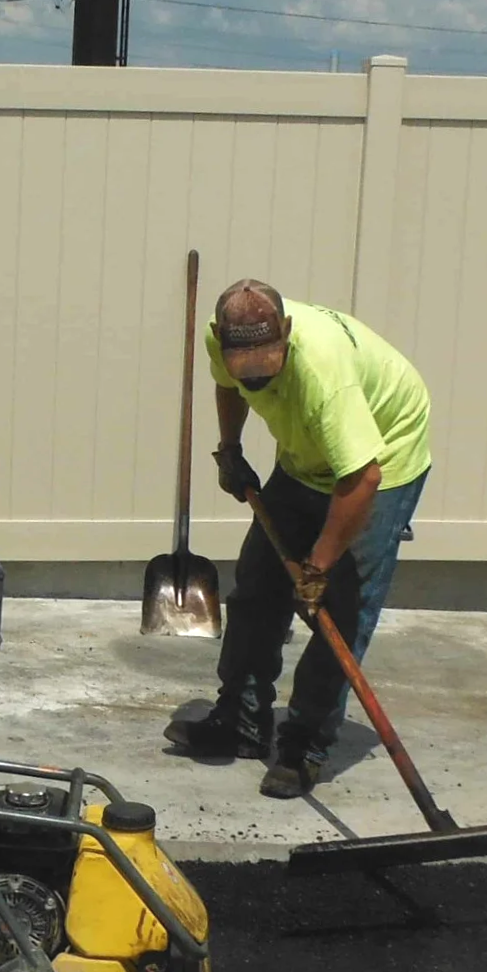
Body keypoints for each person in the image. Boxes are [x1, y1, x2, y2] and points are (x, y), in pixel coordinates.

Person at [164, 279, 431, 800]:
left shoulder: (324, 378)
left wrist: (318, 567)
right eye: (249, 369)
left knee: (341, 610)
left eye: (269, 363)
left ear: (286, 333)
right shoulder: (226, 342)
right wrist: (230, 447)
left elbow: (362, 479)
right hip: (306, 458)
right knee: (257, 587)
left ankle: (305, 744)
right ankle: (240, 721)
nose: (257, 377)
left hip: (382, 460)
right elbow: (226, 384)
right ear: (222, 339)